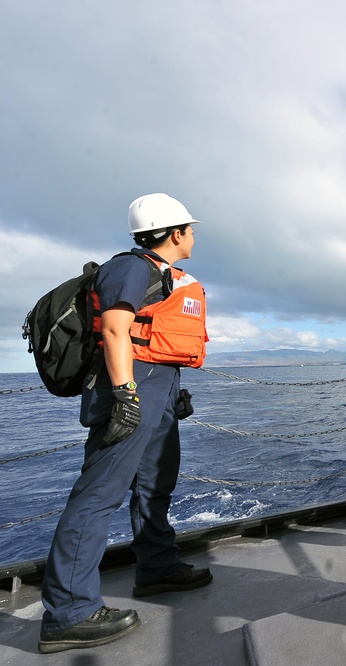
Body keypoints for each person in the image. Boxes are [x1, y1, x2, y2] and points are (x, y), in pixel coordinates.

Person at [38, 193, 212, 654]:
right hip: (129, 389)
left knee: (155, 484)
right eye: (190, 229)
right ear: (174, 234)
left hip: (157, 387)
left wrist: (170, 393)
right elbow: (116, 330)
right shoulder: (131, 268)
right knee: (99, 495)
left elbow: (153, 336)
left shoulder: (163, 275)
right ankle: (68, 613)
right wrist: (125, 396)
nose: (194, 236)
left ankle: (156, 567)